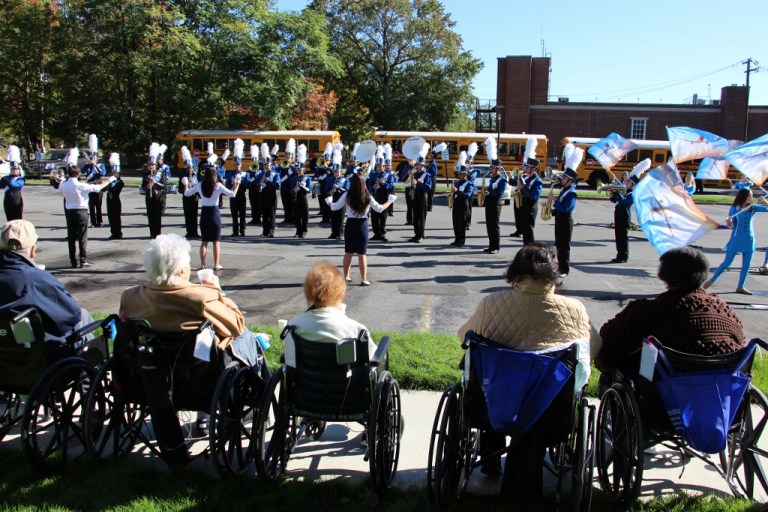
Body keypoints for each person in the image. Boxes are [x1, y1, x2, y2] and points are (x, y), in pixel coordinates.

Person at [457, 243, 594, 502]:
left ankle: (491, 457)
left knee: (492, 373)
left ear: (515, 272)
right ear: (553, 274)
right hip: (549, 407)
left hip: (495, 402)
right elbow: (592, 346)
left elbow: (465, 336)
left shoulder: (491, 303)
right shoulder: (574, 309)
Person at [119, 233, 263, 437]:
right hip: (196, 382)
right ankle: (254, 399)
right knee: (246, 338)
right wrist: (218, 292)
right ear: (179, 270)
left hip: (147, 379)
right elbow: (237, 325)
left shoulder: (130, 297)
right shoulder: (200, 297)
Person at [598, 246, 745, 378]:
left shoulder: (648, 311)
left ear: (664, 273)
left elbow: (610, 338)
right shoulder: (725, 310)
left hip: (660, 394)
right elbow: (741, 342)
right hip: (720, 389)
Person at [0, 219, 88, 345]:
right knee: (83, 315)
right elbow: (71, 315)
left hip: (7, 350)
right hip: (36, 354)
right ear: (32, 250)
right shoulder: (35, 279)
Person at [327, 174, 395, 286]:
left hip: (350, 224)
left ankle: (346, 276)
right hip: (362, 225)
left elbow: (334, 207)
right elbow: (379, 209)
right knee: (362, 253)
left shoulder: (347, 195)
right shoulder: (368, 196)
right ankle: (364, 279)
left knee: (348, 252)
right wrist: (390, 201)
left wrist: (329, 201)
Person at [703, 189, 768, 295]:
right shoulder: (734, 208)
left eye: (751, 196)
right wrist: (729, 222)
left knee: (746, 264)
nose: (750, 198)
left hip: (750, 239)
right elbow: (732, 226)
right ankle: (711, 280)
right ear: (743, 196)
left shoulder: (753, 207)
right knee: (727, 262)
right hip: (737, 238)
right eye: (749, 196)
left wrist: (764, 201)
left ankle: (740, 286)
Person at [53, 165, 113, 268]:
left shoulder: (64, 185)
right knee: (82, 236)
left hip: (70, 212)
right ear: (78, 174)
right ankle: (82, 260)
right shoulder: (81, 185)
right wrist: (110, 180)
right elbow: (98, 188)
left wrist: (59, 178)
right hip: (81, 212)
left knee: (71, 237)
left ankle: (73, 261)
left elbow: (61, 184)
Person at [184, 164, 238, 270]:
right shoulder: (218, 185)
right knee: (216, 241)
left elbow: (187, 193)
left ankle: (203, 265)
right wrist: (237, 183)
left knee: (204, 241)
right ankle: (216, 264)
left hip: (204, 213)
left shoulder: (200, 184)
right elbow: (232, 194)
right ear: (214, 174)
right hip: (214, 213)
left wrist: (186, 184)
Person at [609, 160, 649, 263]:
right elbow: (614, 200)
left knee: (623, 237)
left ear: (633, 184)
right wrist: (613, 193)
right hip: (618, 214)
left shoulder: (632, 194)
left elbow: (624, 202)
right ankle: (619, 255)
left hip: (624, 216)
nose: (626, 183)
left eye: (628, 182)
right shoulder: (625, 191)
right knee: (618, 236)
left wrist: (617, 193)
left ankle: (623, 256)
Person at [550, 167, 578, 276]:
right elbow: (561, 207)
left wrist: (555, 200)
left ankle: (565, 270)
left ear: (570, 180)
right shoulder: (564, 190)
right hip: (559, 220)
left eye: (565, 177)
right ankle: (560, 267)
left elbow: (567, 208)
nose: (562, 179)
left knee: (564, 247)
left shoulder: (572, 194)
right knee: (559, 245)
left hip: (566, 222)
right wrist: (553, 211)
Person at [367, 156, 394, 242]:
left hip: (384, 195)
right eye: (378, 166)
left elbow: (392, 186)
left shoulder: (388, 174)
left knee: (383, 215)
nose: (380, 167)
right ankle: (376, 233)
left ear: (384, 166)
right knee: (374, 215)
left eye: (381, 166)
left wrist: (384, 183)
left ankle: (382, 233)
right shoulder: (373, 174)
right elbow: (369, 185)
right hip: (375, 195)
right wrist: (372, 187)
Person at [483, 159, 507, 254]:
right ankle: (491, 245)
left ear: (498, 169)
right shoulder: (493, 179)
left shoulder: (502, 180)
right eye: (491, 168)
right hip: (489, 204)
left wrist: (488, 188)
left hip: (495, 204)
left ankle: (496, 246)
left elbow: (498, 194)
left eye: (492, 168)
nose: (491, 170)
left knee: (494, 226)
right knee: (489, 226)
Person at [517, 157, 542, 245]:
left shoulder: (537, 181)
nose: (526, 169)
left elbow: (534, 196)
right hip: (524, 206)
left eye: (528, 167)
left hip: (531, 207)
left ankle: (531, 251)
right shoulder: (526, 178)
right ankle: (525, 250)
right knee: (524, 230)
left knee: (529, 230)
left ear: (534, 169)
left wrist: (523, 188)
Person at [142, 159, 167, 239]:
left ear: (156, 165)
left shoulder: (160, 173)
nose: (151, 166)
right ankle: (152, 233)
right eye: (150, 165)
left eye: (153, 165)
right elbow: (143, 186)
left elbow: (163, 185)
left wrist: (155, 182)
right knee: (150, 215)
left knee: (157, 216)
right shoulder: (146, 173)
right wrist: (147, 186)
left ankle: (158, 234)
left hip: (158, 196)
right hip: (149, 196)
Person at [409, 158, 431, 243]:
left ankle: (421, 235)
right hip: (415, 197)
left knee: (421, 217)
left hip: (422, 197)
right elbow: (412, 184)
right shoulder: (415, 174)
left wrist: (417, 183)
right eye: (417, 165)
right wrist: (411, 187)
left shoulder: (426, 175)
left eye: (419, 165)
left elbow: (428, 188)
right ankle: (416, 234)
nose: (417, 166)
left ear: (422, 165)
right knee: (415, 218)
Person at [450, 166, 473, 247]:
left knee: (462, 223)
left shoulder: (469, 184)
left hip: (463, 204)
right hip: (456, 204)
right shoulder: (457, 183)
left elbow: (467, 195)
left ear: (465, 174)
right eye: (459, 173)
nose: (458, 175)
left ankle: (461, 241)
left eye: (460, 173)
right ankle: (457, 239)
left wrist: (457, 191)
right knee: (455, 222)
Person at [290, 162, 313, 238]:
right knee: (296, 215)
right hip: (296, 197)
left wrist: (302, 186)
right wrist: (294, 189)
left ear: (304, 170)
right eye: (298, 170)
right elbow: (291, 189)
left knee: (305, 215)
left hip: (303, 196)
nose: (299, 171)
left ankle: (304, 231)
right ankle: (298, 230)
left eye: (301, 170)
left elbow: (309, 189)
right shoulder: (294, 178)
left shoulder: (307, 178)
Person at [258, 158, 280, 238]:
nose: (266, 166)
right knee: (264, 214)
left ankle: (271, 231)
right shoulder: (261, 174)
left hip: (271, 195)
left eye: (268, 165)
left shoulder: (275, 174)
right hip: (263, 195)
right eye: (265, 165)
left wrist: (267, 181)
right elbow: (257, 185)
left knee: (272, 214)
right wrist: (260, 183)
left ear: (271, 165)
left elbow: (277, 185)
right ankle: (265, 231)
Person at [225, 158, 247, 237]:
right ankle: (235, 231)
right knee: (234, 215)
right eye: (236, 164)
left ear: (241, 164)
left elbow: (248, 185)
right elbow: (226, 186)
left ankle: (242, 231)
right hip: (233, 196)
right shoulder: (230, 174)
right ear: (234, 165)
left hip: (241, 195)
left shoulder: (244, 174)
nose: (237, 166)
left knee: (242, 214)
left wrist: (241, 182)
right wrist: (231, 183)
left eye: (239, 164)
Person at [83, 155, 106, 228]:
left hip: (98, 186)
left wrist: (95, 165)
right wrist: (88, 165)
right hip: (90, 186)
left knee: (98, 205)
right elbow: (82, 171)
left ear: (96, 159)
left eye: (93, 158)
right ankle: (93, 222)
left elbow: (102, 173)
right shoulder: (88, 166)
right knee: (91, 205)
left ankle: (100, 221)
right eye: (91, 158)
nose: (92, 160)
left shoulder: (101, 165)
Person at [327, 164, 348, 240]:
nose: (336, 173)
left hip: (341, 198)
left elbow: (347, 189)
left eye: (338, 172)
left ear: (341, 172)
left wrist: (339, 187)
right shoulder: (330, 179)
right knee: (333, 216)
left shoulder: (345, 180)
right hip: (334, 198)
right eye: (335, 172)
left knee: (340, 217)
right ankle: (334, 232)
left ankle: (340, 233)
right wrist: (330, 191)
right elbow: (327, 189)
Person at [179, 162, 199, 238]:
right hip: (186, 198)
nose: (189, 169)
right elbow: (180, 189)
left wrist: (193, 186)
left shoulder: (196, 176)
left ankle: (195, 232)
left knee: (194, 214)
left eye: (190, 168)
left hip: (194, 198)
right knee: (187, 214)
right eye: (188, 168)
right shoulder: (183, 177)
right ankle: (189, 231)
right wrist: (185, 186)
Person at [105, 168, 124, 240]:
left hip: (115, 201)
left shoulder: (120, 182)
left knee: (116, 217)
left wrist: (109, 185)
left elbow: (115, 190)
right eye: (112, 173)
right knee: (111, 217)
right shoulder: (109, 181)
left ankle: (118, 233)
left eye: (115, 173)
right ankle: (113, 233)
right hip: (109, 200)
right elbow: (103, 188)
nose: (113, 175)